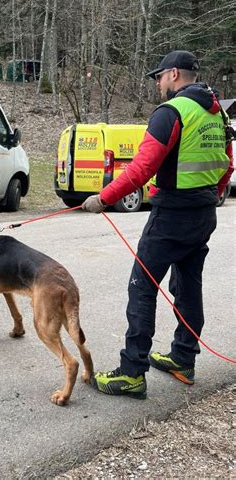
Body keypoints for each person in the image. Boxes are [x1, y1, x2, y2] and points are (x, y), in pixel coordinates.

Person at [81, 50, 233, 399]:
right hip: (203, 212)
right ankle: (183, 358)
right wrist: (212, 194)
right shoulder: (215, 112)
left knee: (142, 287)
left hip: (172, 216)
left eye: (159, 77)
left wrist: (103, 198)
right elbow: (227, 165)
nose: (158, 84)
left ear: (174, 74)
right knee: (188, 286)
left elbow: (141, 168)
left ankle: (132, 373)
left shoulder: (172, 112)